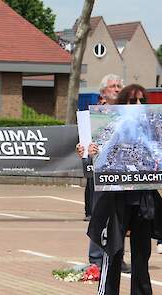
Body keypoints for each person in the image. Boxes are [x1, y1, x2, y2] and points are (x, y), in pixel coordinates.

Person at [87, 84, 162, 295]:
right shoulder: (110, 126)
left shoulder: (154, 129)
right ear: (122, 104)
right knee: (113, 252)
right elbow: (92, 165)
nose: (138, 105)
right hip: (115, 200)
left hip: (144, 199)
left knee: (141, 256)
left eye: (142, 101)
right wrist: (90, 153)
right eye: (132, 101)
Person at [76, 74, 130, 273]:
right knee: (100, 215)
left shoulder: (128, 114)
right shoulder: (93, 116)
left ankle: (118, 257)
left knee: (121, 217)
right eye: (112, 86)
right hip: (101, 172)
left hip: (123, 173)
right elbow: (82, 144)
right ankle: (96, 258)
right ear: (103, 92)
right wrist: (82, 151)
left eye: (119, 86)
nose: (116, 89)